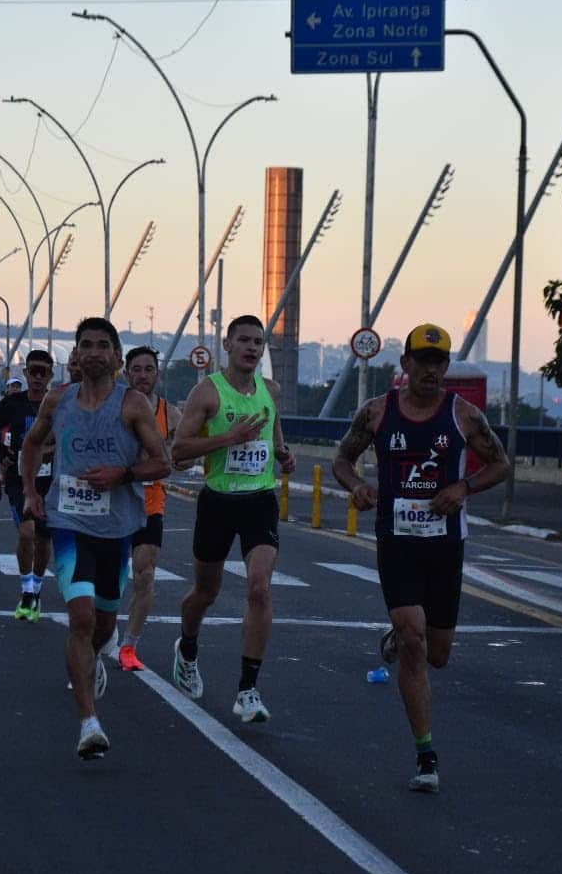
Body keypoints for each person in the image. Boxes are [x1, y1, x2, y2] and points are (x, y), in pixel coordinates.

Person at [333, 323, 512, 794]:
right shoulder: (376, 413)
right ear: (405, 364)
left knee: (438, 655)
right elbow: (341, 461)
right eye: (423, 361)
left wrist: (463, 487)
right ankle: (426, 755)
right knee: (415, 637)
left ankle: (399, 634)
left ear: (446, 368)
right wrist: (357, 488)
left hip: (445, 543)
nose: (431, 371)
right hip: (397, 540)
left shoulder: (465, 416)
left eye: (439, 362)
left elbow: (501, 463)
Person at [20, 317, 169, 759]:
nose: (94, 352)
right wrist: (30, 490)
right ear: (76, 355)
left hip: (117, 528)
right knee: (80, 619)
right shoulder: (57, 400)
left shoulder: (132, 405)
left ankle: (100, 651)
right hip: (68, 523)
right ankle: (89, 723)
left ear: (117, 358)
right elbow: (31, 445)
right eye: (86, 345)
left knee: (103, 624)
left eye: (104, 346)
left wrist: (121, 473)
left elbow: (162, 463)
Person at [169, 315, 295, 724]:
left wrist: (283, 455)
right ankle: (187, 647)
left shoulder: (270, 391)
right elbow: (178, 452)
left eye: (258, 342)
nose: (252, 348)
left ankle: (248, 689)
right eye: (244, 340)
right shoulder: (207, 393)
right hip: (218, 501)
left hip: (259, 500)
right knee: (205, 592)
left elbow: (274, 440)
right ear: (228, 343)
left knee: (259, 589)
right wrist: (227, 439)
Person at [117, 345, 182, 671]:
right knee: (108, 580)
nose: (143, 375)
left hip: (150, 503)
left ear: (157, 374)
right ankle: (101, 634)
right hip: (113, 501)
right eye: (137, 369)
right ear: (126, 373)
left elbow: (185, 453)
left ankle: (129, 646)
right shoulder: (113, 406)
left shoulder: (170, 413)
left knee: (145, 574)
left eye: (149, 369)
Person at [0, 351, 56, 621]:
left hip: (50, 481)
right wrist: (1, 455)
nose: (38, 377)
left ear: (51, 375)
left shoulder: (58, 403)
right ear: (26, 373)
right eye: (33, 372)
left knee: (42, 539)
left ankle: (37, 589)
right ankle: (26, 590)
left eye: (44, 372)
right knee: (26, 533)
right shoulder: (12, 403)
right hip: (19, 478)